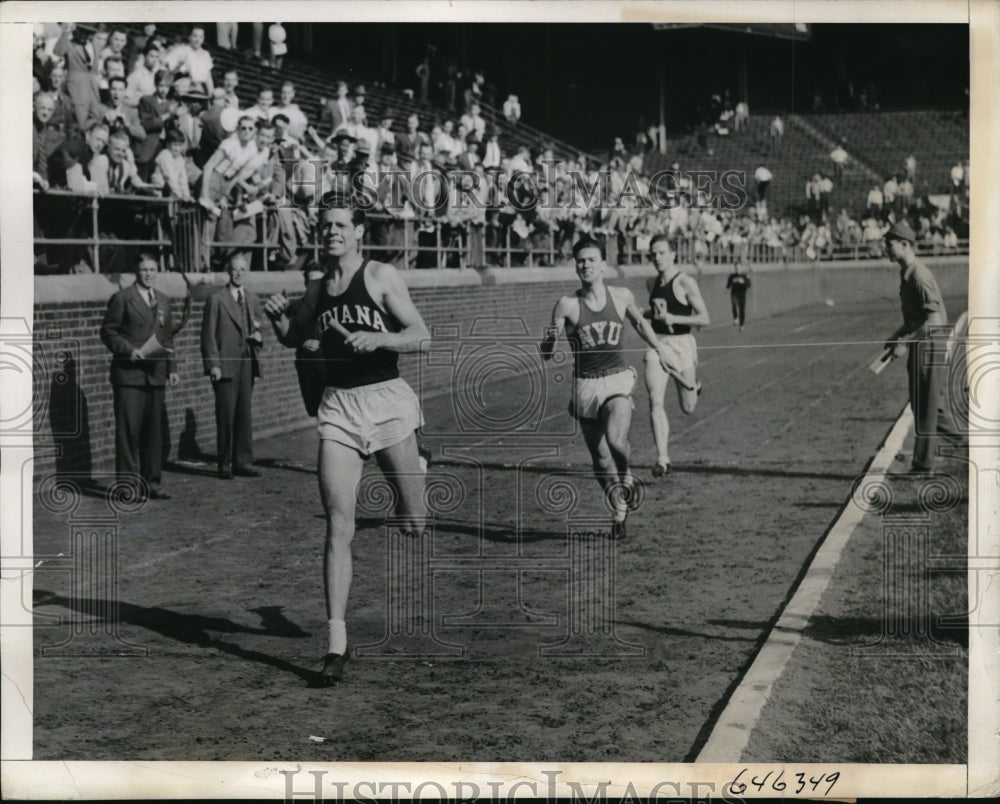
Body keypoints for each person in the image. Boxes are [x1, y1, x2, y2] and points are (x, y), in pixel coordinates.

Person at [262, 198, 431, 684]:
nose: (331, 232)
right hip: (339, 408)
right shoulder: (318, 286)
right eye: (325, 226)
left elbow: (422, 334)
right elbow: (293, 338)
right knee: (339, 525)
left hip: (386, 402)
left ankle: (416, 470)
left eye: (340, 225)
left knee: (415, 524)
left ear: (358, 232)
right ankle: (337, 642)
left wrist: (378, 339)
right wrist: (278, 317)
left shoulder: (380, 276)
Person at [540, 237, 670, 540]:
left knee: (616, 440)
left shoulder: (621, 296)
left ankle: (625, 474)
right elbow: (546, 352)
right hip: (585, 384)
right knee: (599, 459)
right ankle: (618, 510)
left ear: (603, 265)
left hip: (617, 378)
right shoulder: (567, 305)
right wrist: (550, 338)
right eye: (580, 261)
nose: (585, 265)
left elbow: (639, 323)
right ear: (576, 266)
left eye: (590, 260)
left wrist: (659, 347)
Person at [881, 221, 963, 473]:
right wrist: (898, 334)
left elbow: (936, 321)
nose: (886, 248)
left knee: (926, 409)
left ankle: (922, 465)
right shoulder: (906, 273)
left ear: (904, 244)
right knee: (926, 407)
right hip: (921, 345)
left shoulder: (919, 275)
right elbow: (916, 318)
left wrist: (905, 342)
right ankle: (971, 445)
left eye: (890, 243)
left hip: (929, 347)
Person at [99, 253, 179, 500]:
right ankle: (127, 487)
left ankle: (151, 483)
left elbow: (168, 337)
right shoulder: (122, 299)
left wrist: (172, 368)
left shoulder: (164, 300)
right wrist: (127, 351)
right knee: (128, 434)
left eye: (153, 269)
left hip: (155, 375)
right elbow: (108, 332)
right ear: (136, 271)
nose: (149, 274)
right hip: (129, 376)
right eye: (144, 269)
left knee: (153, 433)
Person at [643, 236, 708, 477]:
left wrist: (675, 319)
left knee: (688, 407)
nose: (657, 258)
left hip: (682, 344)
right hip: (657, 344)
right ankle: (662, 459)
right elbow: (659, 313)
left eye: (661, 253)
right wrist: (645, 313)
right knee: (655, 400)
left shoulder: (685, 282)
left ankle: (695, 386)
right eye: (653, 254)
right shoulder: (651, 283)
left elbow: (704, 318)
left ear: (673, 254)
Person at [201, 252, 264, 479]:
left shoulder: (253, 298)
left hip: (247, 361)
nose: (239, 273)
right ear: (229, 271)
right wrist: (213, 364)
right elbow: (208, 335)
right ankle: (224, 463)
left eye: (243, 270)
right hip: (225, 363)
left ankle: (243, 461)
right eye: (235, 269)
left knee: (244, 414)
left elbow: (259, 325)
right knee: (225, 414)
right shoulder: (217, 299)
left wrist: (258, 336)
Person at [726, 260, 751, 331]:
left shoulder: (744, 276)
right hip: (734, 293)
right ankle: (735, 318)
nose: (737, 269)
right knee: (734, 305)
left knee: (742, 310)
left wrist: (743, 282)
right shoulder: (732, 276)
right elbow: (728, 286)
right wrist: (730, 284)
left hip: (742, 294)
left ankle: (742, 325)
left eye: (738, 268)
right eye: (736, 268)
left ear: (741, 268)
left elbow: (748, 285)